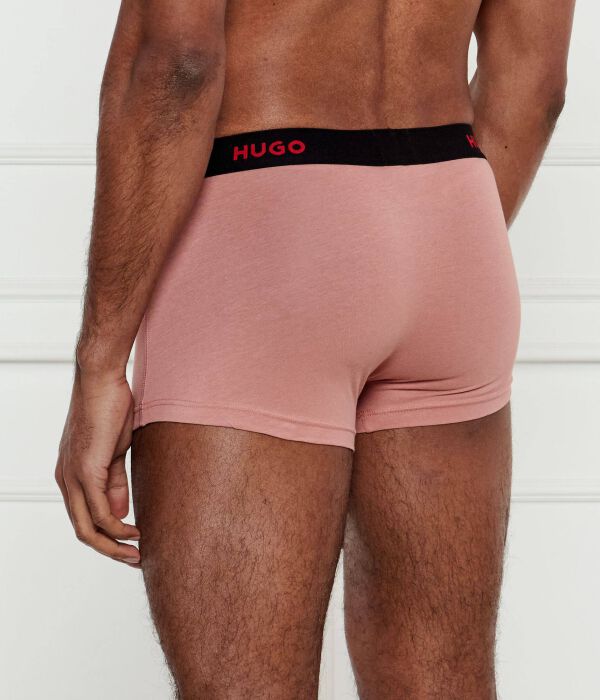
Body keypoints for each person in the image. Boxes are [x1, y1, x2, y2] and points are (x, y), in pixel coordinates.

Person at [55, 0, 575, 697]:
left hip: (266, 224)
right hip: (452, 223)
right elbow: (537, 83)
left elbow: (177, 59)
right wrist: (419, 248)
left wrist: (99, 362)